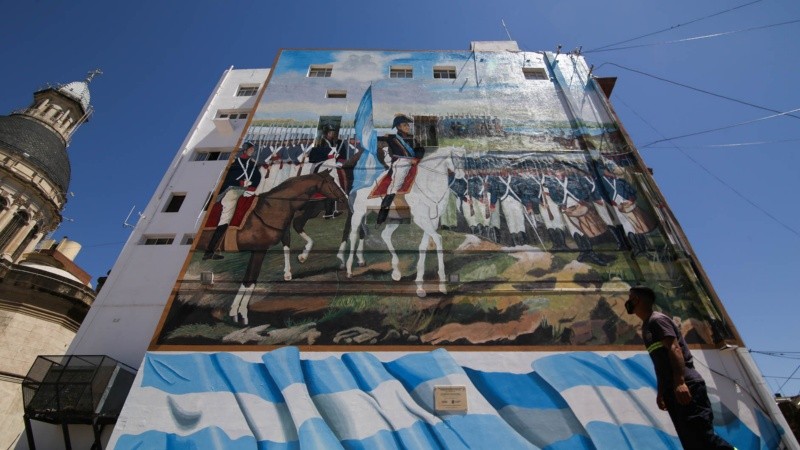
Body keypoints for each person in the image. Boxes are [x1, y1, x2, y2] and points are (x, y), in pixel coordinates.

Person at [625, 286, 735, 450]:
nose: (627, 302)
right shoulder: (647, 326)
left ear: (636, 300)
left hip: (687, 386)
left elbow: (674, 349)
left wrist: (680, 382)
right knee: (691, 443)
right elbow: (660, 362)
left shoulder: (658, 320)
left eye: (629, 297)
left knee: (703, 438)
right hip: (672, 390)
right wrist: (662, 391)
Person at [203, 142, 261, 260]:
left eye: (253, 150)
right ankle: (210, 251)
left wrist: (252, 188)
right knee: (226, 217)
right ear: (245, 150)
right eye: (251, 149)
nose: (252, 151)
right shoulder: (234, 163)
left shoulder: (252, 164)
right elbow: (228, 179)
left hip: (247, 190)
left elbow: (257, 176)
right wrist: (241, 183)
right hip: (232, 190)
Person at [377, 114, 425, 224]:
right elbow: (377, 140)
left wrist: (417, 158)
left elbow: (420, 149)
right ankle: (382, 216)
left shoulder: (413, 138)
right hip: (400, 163)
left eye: (408, 125)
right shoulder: (391, 138)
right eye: (405, 125)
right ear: (398, 127)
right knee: (395, 187)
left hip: (414, 162)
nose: (408, 127)